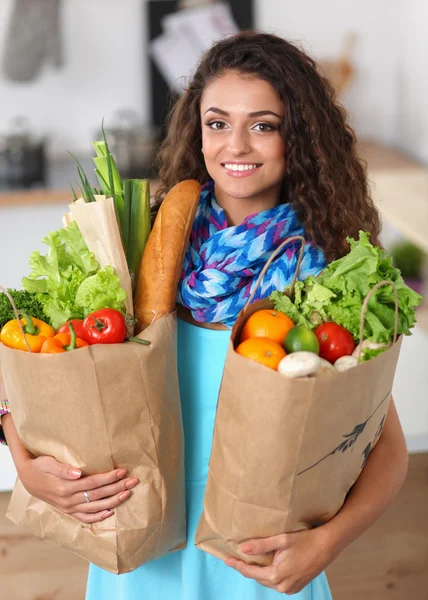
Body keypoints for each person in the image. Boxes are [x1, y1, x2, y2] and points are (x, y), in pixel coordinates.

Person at [1, 31, 409, 599]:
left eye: (263, 124)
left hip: (260, 563)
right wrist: (24, 462)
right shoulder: (135, 245)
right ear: (198, 131)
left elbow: (384, 443)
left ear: (302, 137)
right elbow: (33, 362)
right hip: (138, 547)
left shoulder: (328, 273)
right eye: (218, 123)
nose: (235, 145)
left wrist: (327, 543)